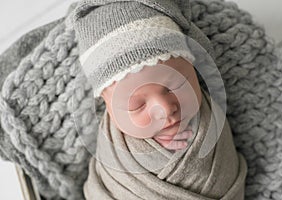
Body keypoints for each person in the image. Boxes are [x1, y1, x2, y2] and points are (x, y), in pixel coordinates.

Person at [72, 0, 248, 199]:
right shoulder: (113, 151)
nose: (164, 109)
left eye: (178, 85)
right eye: (136, 105)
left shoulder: (212, 122)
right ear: (108, 107)